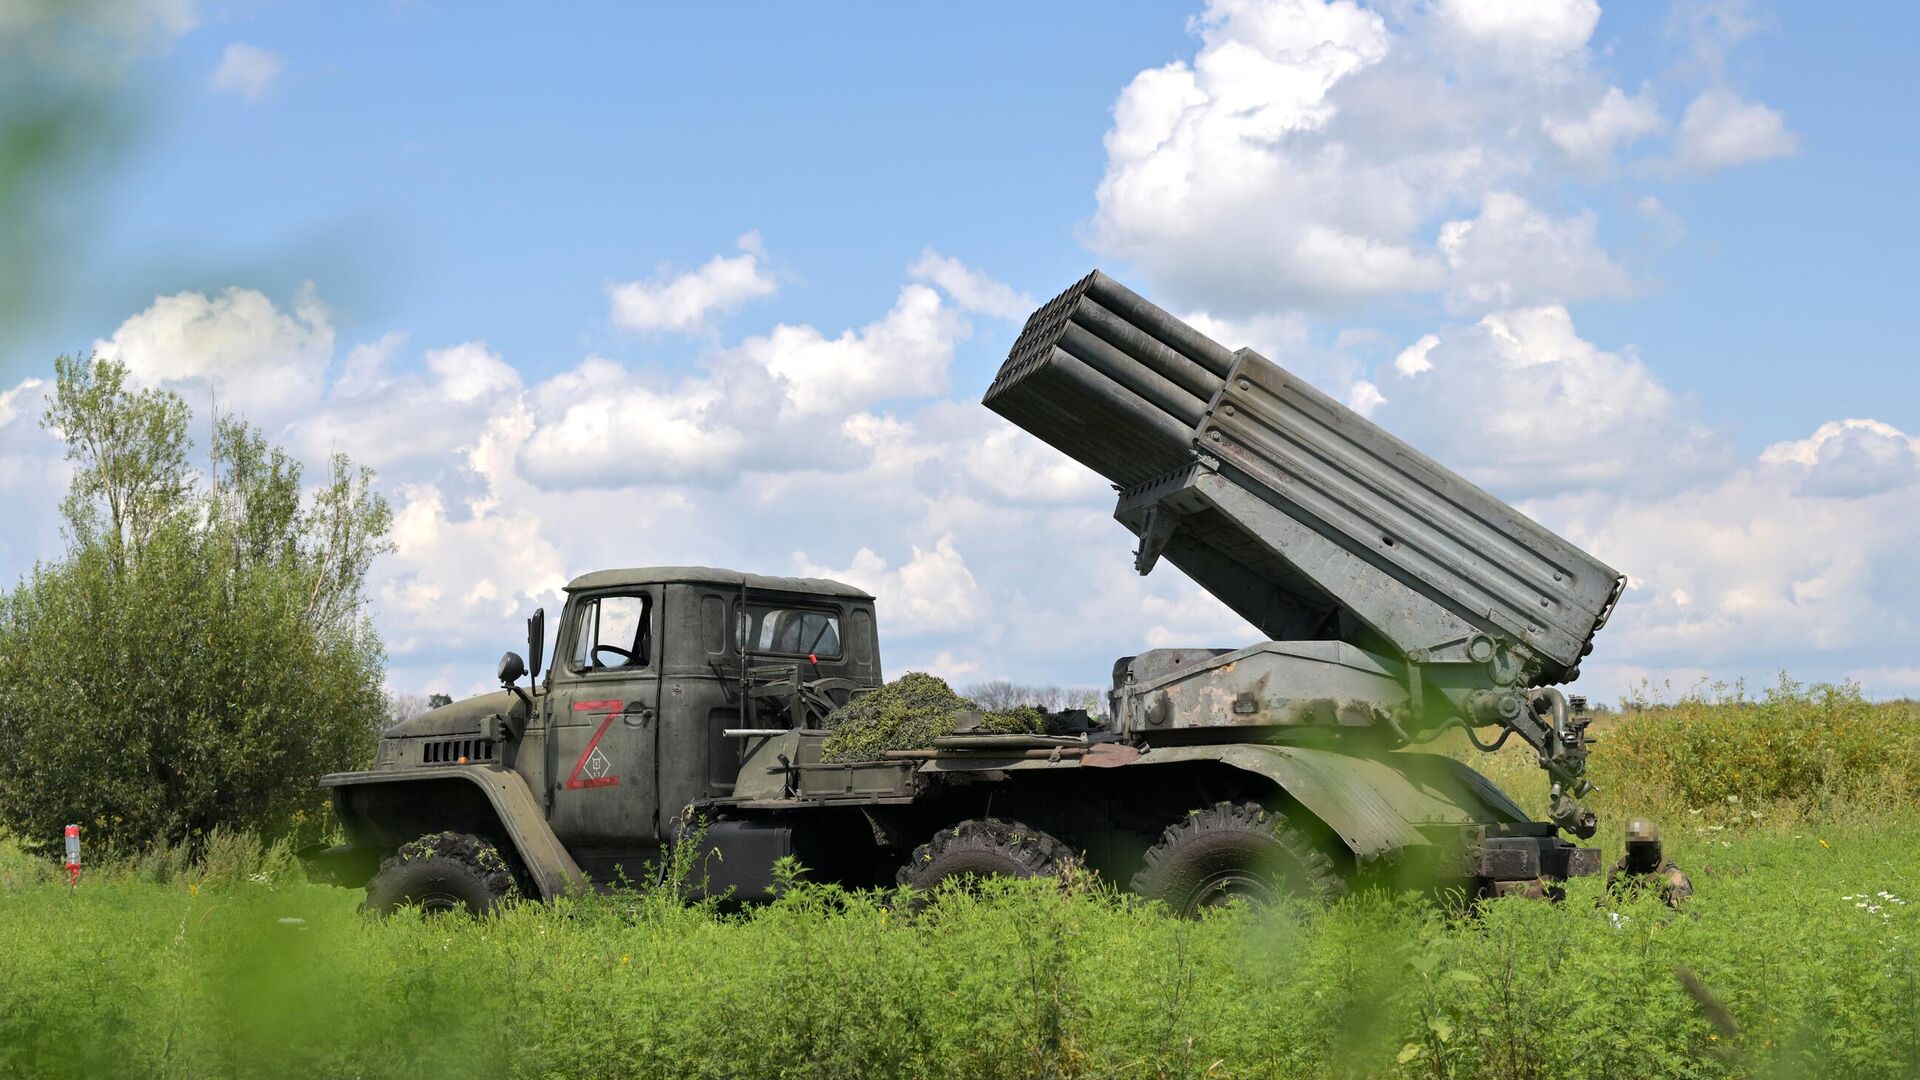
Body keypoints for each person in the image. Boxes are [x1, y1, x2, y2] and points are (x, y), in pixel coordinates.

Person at [1607, 817, 1692, 906]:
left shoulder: (1674, 877)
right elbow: (1604, 902)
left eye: (1646, 848)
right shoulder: (1619, 869)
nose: (1642, 853)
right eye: (1638, 849)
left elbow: (1684, 914)